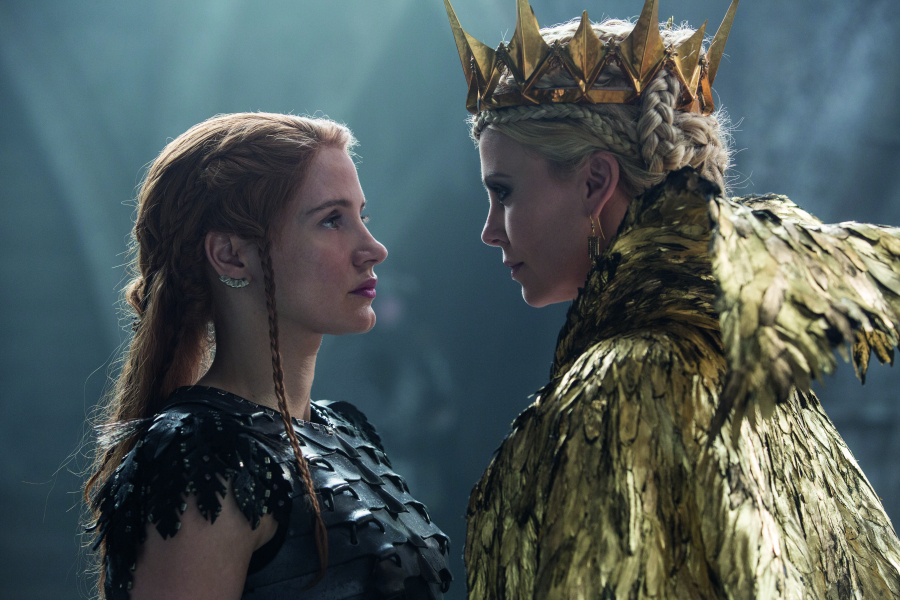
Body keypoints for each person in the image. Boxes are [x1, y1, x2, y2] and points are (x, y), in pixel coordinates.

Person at [443, 0, 900, 597]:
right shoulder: (756, 374)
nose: (489, 230)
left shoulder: (620, 384)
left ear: (595, 182)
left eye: (503, 192)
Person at [83, 113, 453, 600]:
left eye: (362, 217)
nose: (373, 248)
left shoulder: (347, 433)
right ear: (232, 255)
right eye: (332, 220)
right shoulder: (200, 457)